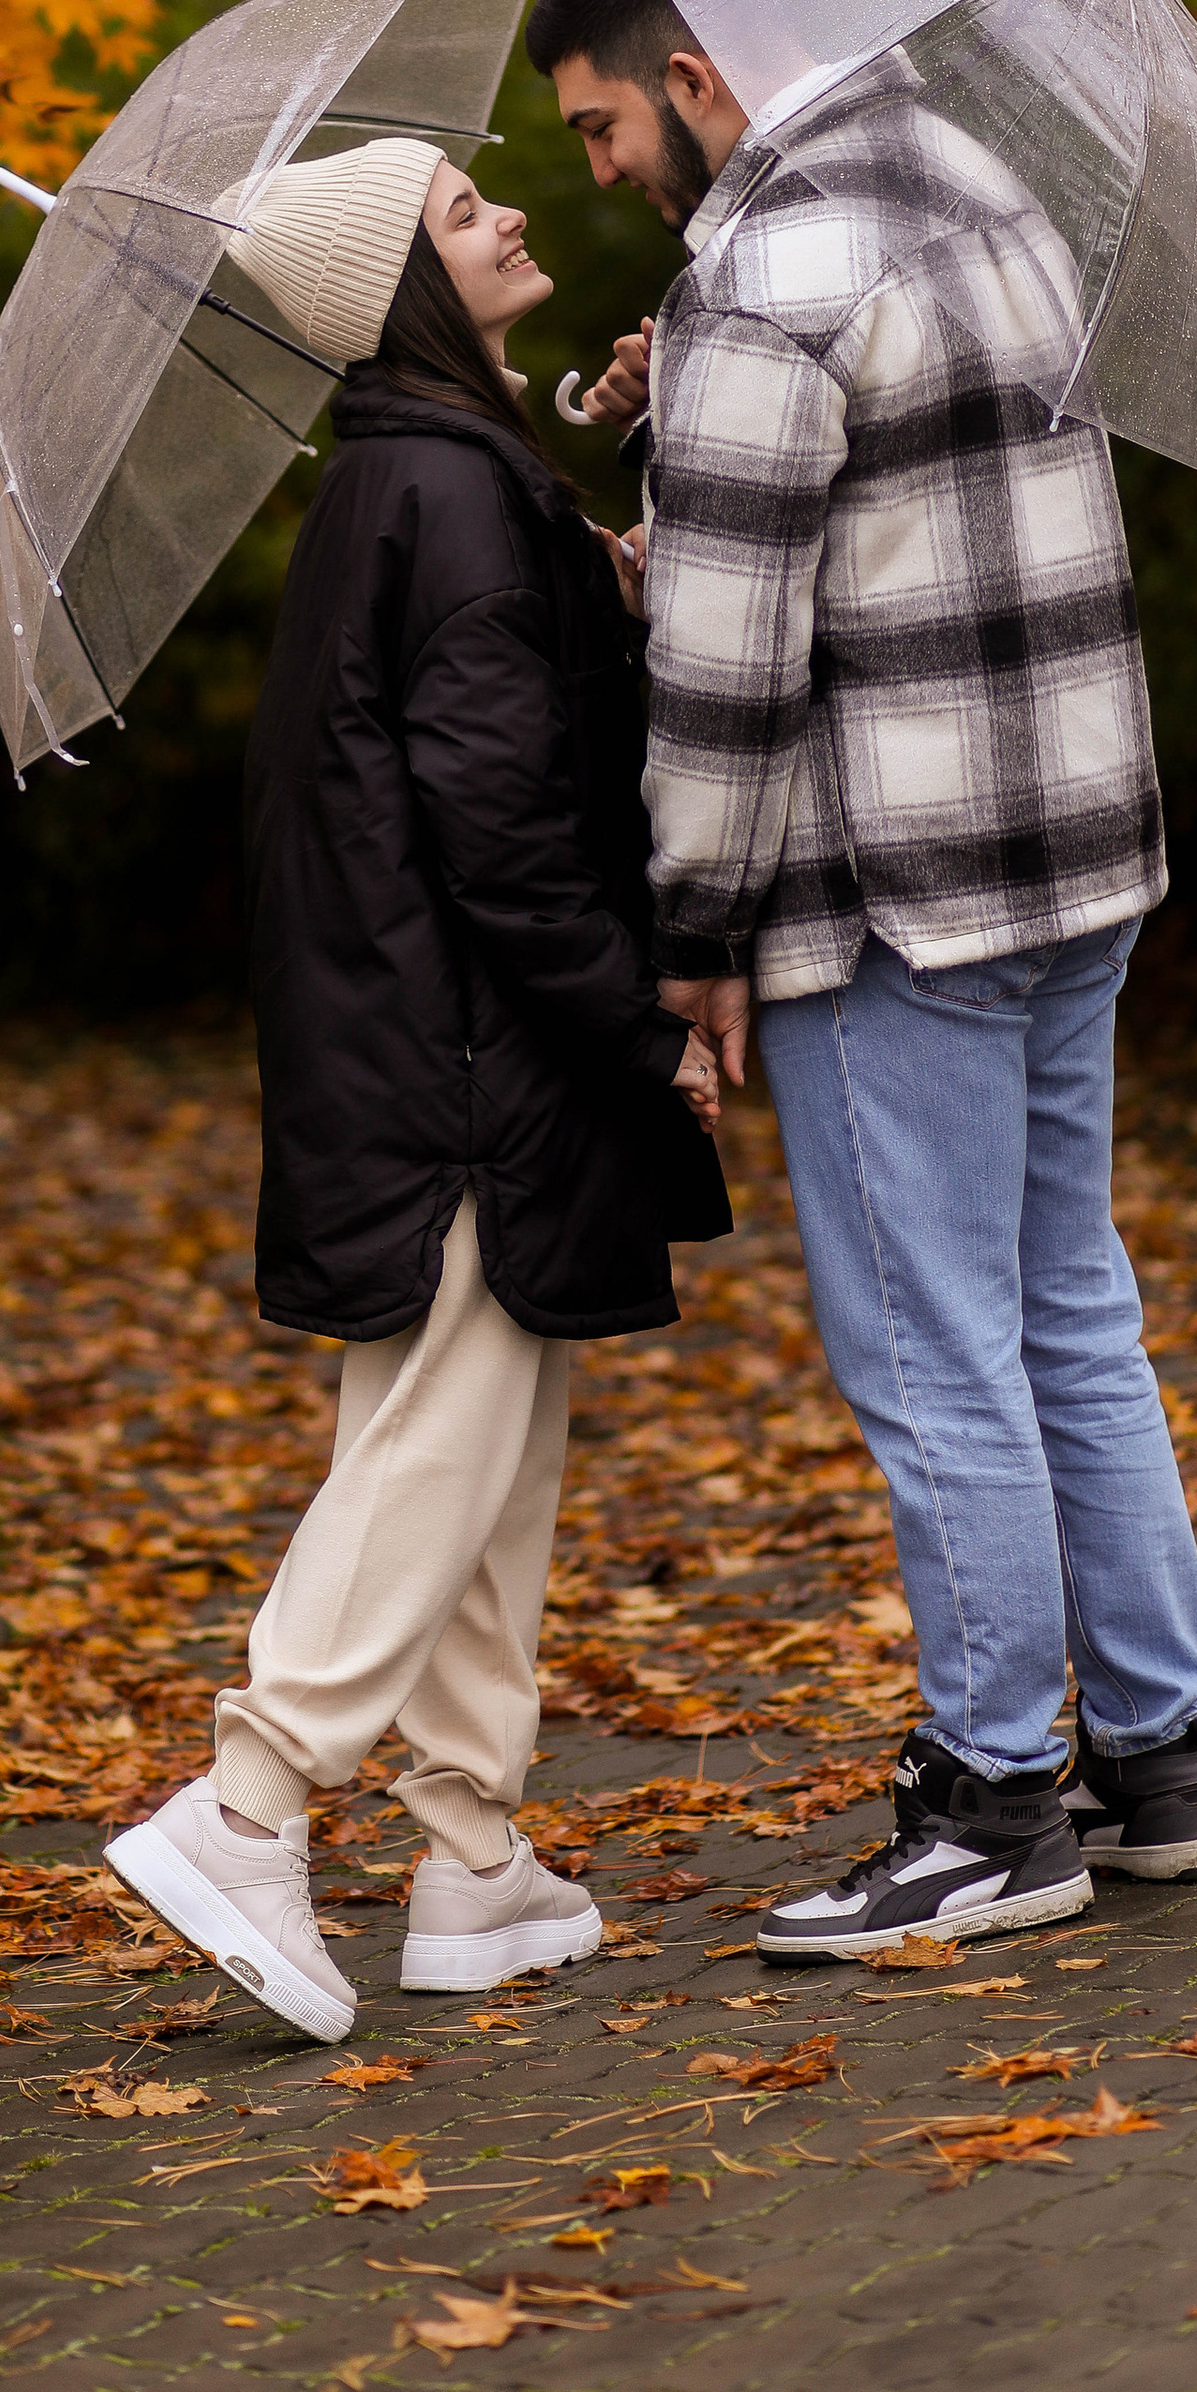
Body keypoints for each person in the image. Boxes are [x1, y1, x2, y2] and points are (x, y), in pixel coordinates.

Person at [526, 0, 1197, 1952]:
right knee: (1061, 1306)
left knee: (932, 1349)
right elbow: (901, 506)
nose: (595, 173)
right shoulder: (975, 184)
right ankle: (1157, 1774)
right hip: (1074, 856)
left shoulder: (763, 274)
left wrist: (690, 933)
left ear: (693, 75)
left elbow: (728, 667)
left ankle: (993, 1807)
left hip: (894, 892)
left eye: (596, 125)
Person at [106, 136, 730, 2040]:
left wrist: (598, 560)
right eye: (467, 214)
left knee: (475, 1425)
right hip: (470, 1048)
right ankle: (251, 1801)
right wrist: (643, 1025)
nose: (517, 213)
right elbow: (505, 823)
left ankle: (472, 1861)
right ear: (400, 285)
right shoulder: (446, 498)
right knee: (456, 1420)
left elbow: (481, 728)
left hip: (414, 1038)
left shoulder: (429, 480)